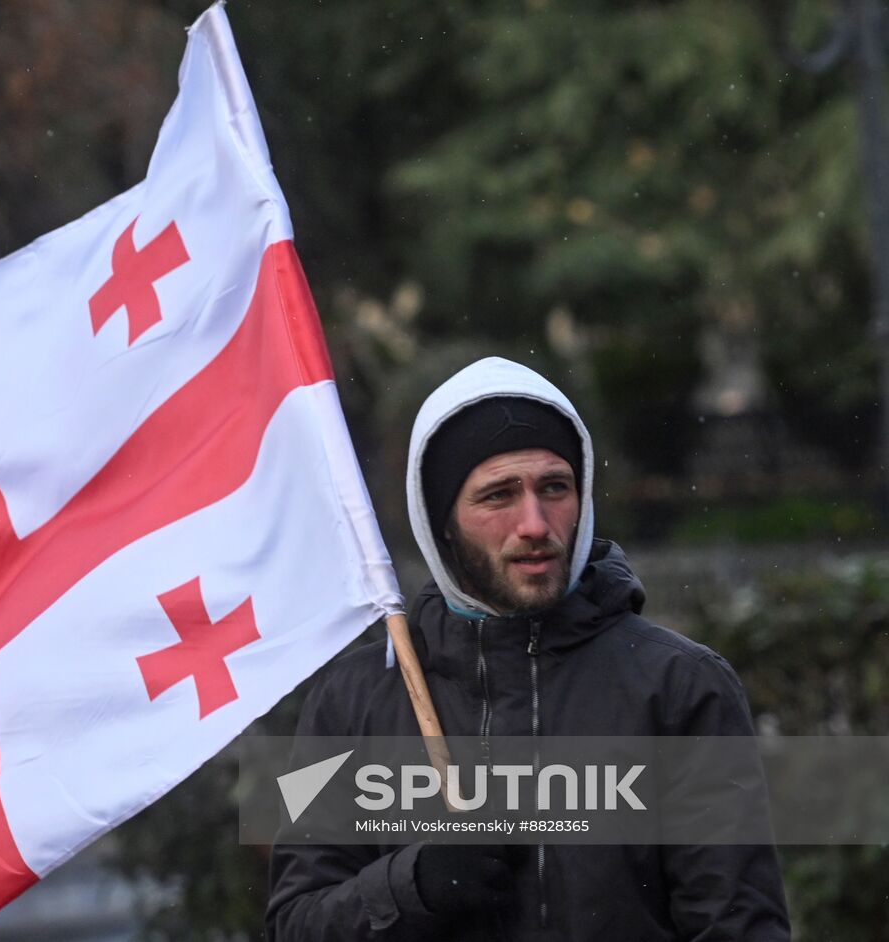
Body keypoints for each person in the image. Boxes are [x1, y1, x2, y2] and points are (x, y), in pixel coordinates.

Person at [265, 357, 789, 941]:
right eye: (498, 496)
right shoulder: (349, 700)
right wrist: (415, 885)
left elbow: (739, 926)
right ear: (441, 523)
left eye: (555, 488)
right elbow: (294, 922)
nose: (535, 522)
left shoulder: (683, 687)